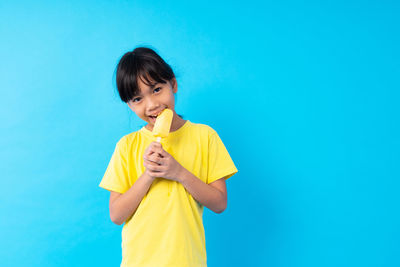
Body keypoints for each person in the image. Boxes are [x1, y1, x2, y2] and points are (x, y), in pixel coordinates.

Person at [99, 46, 238, 267]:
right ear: (129, 104)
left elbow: (220, 203)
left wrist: (179, 173)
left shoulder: (205, 137)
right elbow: (116, 215)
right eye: (137, 99)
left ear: (172, 84)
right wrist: (148, 174)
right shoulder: (126, 146)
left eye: (156, 90)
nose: (152, 105)